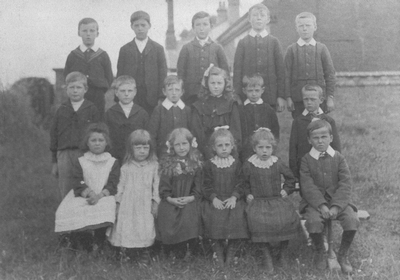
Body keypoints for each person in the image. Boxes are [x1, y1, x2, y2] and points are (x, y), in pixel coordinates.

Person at [300, 120, 359, 273]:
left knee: (352, 220)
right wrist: (321, 205)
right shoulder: (306, 160)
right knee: (313, 222)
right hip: (315, 204)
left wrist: (335, 206)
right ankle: (320, 251)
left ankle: (343, 254)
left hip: (338, 202)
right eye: (315, 138)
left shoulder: (339, 158)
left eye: (324, 137)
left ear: (331, 138)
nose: (320, 141)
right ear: (309, 140)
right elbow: (307, 186)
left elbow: (345, 184)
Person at [241, 128, 300, 273]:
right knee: (258, 223)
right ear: (254, 148)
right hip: (258, 202)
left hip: (276, 200)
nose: (264, 151)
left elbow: (291, 178)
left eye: (268, 147)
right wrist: (247, 193)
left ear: (273, 148)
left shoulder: (277, 162)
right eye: (260, 147)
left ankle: (282, 253)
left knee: (286, 219)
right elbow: (242, 182)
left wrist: (286, 189)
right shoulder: (249, 164)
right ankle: (266, 254)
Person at [55, 123, 120, 252]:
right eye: (93, 140)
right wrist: (90, 194)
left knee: (105, 208)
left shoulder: (112, 161)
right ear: (87, 143)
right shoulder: (81, 160)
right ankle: (80, 240)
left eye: (101, 140)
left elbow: (113, 183)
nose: (97, 143)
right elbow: (78, 181)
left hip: (104, 195)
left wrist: (99, 196)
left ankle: (99, 240)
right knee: (71, 208)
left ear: (106, 143)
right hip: (85, 194)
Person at [108, 129, 160, 264]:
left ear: (150, 148)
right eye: (138, 148)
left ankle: (144, 253)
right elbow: (120, 186)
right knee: (127, 225)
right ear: (131, 149)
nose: (142, 151)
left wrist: (155, 201)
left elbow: (157, 186)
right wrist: (118, 202)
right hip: (128, 203)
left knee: (146, 226)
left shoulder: (154, 166)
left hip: (145, 203)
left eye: (145, 147)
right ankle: (125, 252)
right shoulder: (126, 167)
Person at [202, 128, 248, 267]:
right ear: (213, 148)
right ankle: (218, 251)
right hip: (216, 200)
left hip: (232, 199)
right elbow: (206, 184)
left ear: (232, 146)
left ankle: (232, 251)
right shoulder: (209, 164)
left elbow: (241, 183)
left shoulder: (236, 163)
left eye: (227, 145)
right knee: (213, 217)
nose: (223, 149)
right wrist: (213, 198)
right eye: (220, 146)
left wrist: (234, 197)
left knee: (238, 216)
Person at [50, 72, 100, 199]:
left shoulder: (91, 109)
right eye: (72, 88)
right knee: (66, 189)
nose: (75, 91)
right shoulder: (61, 110)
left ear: (85, 89)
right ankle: (67, 217)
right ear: (66, 89)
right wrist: (54, 161)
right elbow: (54, 136)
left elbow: (98, 133)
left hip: (85, 153)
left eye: (78, 88)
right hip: (64, 154)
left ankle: (85, 218)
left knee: (86, 186)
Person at [157, 128, 203, 259]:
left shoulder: (196, 163)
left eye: (184, 144)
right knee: (167, 215)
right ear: (172, 146)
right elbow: (164, 188)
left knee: (189, 216)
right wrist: (171, 199)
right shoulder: (168, 164)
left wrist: (190, 198)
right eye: (177, 144)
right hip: (172, 200)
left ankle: (189, 248)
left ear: (190, 144)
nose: (181, 148)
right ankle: (171, 248)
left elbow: (198, 187)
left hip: (190, 199)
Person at [233, 3, 286, 112]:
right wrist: (238, 95)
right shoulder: (243, 43)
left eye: (262, 15)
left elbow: (281, 71)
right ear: (249, 19)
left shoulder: (274, 42)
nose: (258, 18)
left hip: (270, 97)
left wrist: (280, 96)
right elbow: (237, 71)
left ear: (268, 19)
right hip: (247, 96)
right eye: (255, 15)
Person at [285, 12, 336, 118]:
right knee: (300, 126)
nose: (304, 29)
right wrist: (288, 97)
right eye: (301, 26)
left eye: (308, 25)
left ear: (315, 27)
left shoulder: (322, 49)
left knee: (319, 127)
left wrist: (330, 97)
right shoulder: (291, 50)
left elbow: (330, 74)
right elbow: (286, 76)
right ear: (296, 28)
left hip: (319, 100)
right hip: (298, 101)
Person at [116, 11, 168, 114]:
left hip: (151, 98)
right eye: (136, 25)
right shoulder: (125, 49)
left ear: (149, 26)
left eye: (143, 25)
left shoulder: (158, 49)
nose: (140, 28)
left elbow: (162, 74)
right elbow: (120, 75)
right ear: (132, 27)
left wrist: (161, 97)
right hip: (131, 97)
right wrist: (119, 96)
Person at [64, 18, 113, 119]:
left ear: (97, 33)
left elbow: (109, 77)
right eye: (84, 31)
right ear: (79, 33)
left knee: (97, 120)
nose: (88, 34)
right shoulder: (73, 55)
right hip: (77, 95)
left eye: (92, 31)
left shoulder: (102, 55)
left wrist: (100, 91)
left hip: (97, 95)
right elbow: (67, 76)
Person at [289, 84, 341, 180]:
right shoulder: (298, 121)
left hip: (326, 166)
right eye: (306, 99)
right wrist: (295, 174)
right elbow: (293, 149)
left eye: (313, 99)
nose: (309, 102)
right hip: (305, 168)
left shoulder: (329, 120)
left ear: (321, 100)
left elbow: (336, 146)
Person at [177, 11, 229, 106]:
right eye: (198, 25)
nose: (201, 28)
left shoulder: (217, 48)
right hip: (191, 98)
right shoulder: (186, 48)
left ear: (211, 26)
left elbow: (225, 74)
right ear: (193, 28)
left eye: (205, 24)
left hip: (212, 97)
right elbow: (180, 75)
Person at [191, 65, 241, 159]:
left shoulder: (231, 104)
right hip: (205, 153)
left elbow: (236, 132)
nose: (216, 87)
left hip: (227, 152)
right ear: (207, 84)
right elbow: (197, 132)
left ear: (225, 84)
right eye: (212, 83)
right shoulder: (199, 106)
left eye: (219, 83)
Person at [104, 75, 148, 164]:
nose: (126, 94)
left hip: (136, 157)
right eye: (123, 91)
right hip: (115, 157)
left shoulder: (141, 113)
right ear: (116, 92)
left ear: (135, 92)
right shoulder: (110, 113)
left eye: (130, 91)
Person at [147, 76, 191, 157]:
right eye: (170, 90)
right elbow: (152, 134)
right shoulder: (159, 110)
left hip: (183, 152)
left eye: (177, 90)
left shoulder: (187, 110)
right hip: (164, 152)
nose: (174, 93)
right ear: (164, 91)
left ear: (182, 92)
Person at [239, 75, 279, 161]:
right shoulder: (240, 110)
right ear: (244, 91)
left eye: (257, 90)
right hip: (246, 150)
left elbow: (275, 130)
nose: (254, 94)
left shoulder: (268, 109)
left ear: (262, 90)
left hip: (264, 149)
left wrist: (272, 147)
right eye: (250, 91)